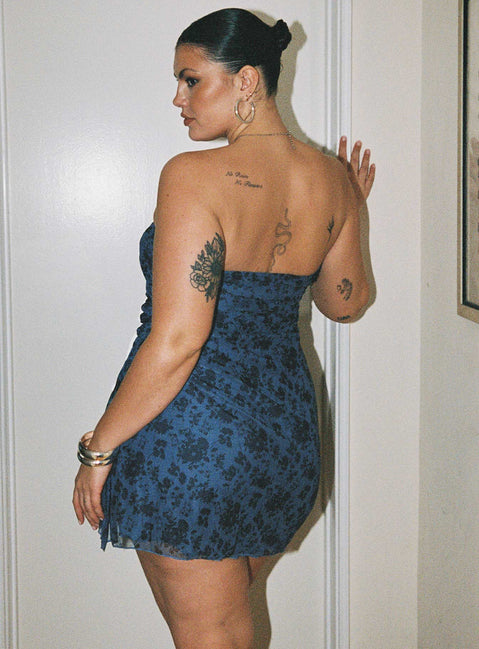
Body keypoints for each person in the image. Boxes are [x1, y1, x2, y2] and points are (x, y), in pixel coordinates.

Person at [73, 8, 375, 648]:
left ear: (246, 81)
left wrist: (99, 449)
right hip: (283, 442)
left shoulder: (193, 175)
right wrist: (352, 209)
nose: (178, 99)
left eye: (191, 80)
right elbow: (344, 303)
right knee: (230, 631)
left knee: (212, 638)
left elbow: (178, 340)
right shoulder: (333, 179)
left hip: (194, 441)